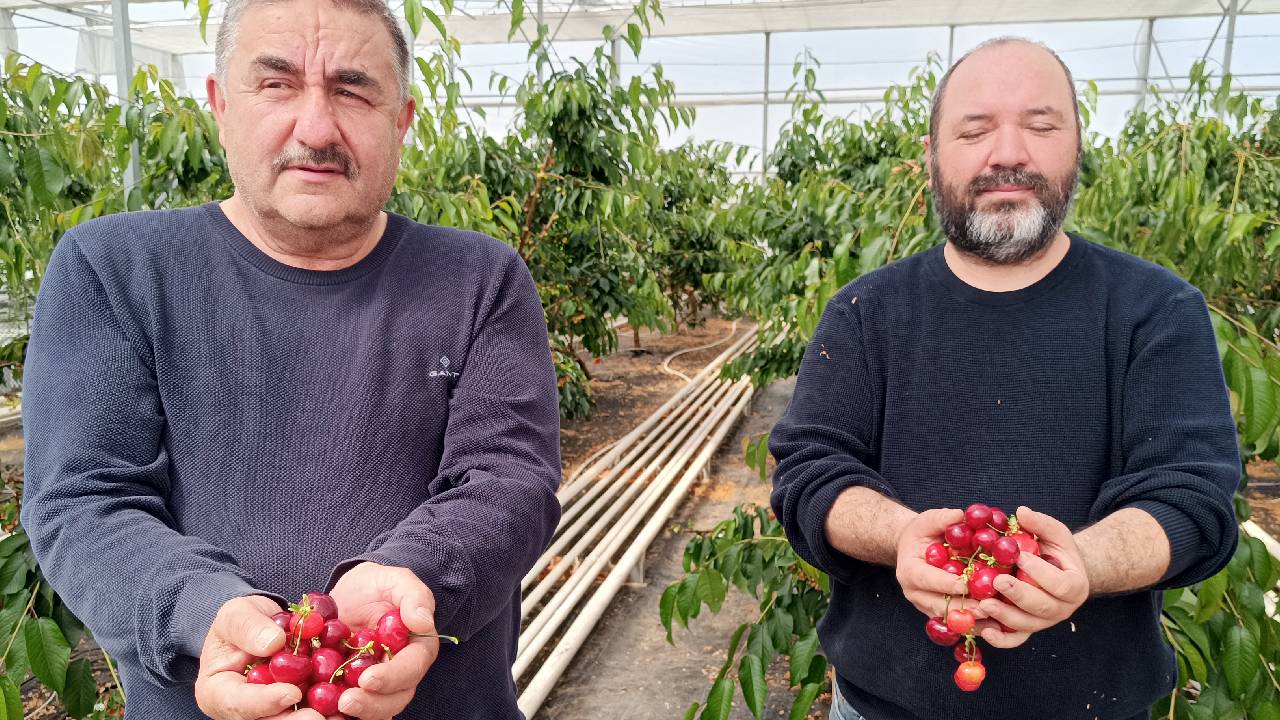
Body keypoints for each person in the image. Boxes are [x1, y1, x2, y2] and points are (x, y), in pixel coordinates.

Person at [19, 1, 561, 718]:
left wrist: (414, 576)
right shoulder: (114, 270)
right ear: (219, 105)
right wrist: (206, 611)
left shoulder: (479, 279)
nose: (315, 128)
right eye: (276, 84)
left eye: (353, 89)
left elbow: (509, 479)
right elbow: (83, 499)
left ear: (402, 121)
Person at [770, 37, 1239, 720]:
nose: (1009, 153)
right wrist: (901, 535)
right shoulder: (866, 312)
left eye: (1041, 125)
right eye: (975, 129)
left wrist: (1084, 563)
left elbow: (1193, 498)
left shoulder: (1156, 311)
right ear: (931, 158)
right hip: (880, 708)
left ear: (1076, 148)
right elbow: (809, 470)